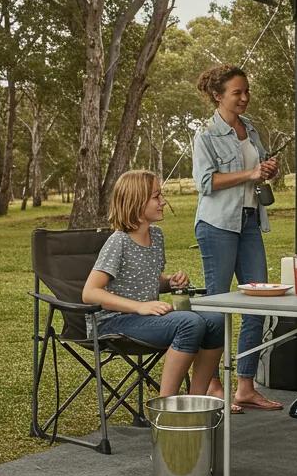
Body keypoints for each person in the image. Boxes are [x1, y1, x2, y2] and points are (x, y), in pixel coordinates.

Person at [82, 170, 224, 398]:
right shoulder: (118, 241)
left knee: (216, 319)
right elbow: (90, 292)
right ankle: (166, 407)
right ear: (136, 202)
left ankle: (196, 402)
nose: (163, 202)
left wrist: (169, 282)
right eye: (156, 197)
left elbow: (146, 279)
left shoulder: (156, 236)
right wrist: (139, 307)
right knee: (189, 324)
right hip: (112, 321)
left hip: (146, 318)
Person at [192, 63, 281, 413]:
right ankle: (212, 384)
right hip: (217, 226)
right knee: (218, 306)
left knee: (258, 301)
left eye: (246, 91)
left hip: (249, 223)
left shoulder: (251, 129)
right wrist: (251, 173)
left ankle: (245, 385)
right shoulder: (206, 135)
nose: (244, 97)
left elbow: (255, 175)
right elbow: (205, 183)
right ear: (218, 96)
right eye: (237, 92)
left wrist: (265, 172)